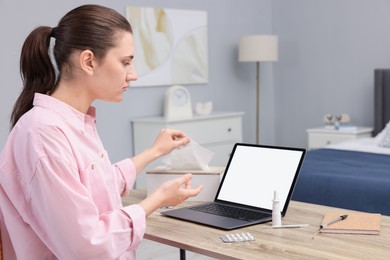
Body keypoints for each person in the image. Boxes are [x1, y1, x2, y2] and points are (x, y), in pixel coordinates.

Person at [0, 4, 202, 259]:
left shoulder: (74, 123)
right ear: (88, 61)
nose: (133, 75)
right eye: (125, 62)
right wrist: (157, 200)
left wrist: (154, 152)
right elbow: (85, 246)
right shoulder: (43, 134)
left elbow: (99, 185)